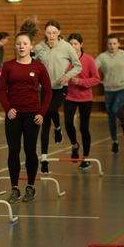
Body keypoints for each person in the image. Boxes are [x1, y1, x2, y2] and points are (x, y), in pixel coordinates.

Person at [0, 20, 52, 204]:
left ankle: (30, 186)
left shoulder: (38, 67)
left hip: (32, 116)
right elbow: (1, 91)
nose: (21, 46)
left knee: (30, 151)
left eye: (25, 44)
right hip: (13, 116)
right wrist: (8, 109)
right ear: (15, 46)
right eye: (18, 43)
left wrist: (42, 113)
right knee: (13, 151)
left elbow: (48, 91)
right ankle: (14, 188)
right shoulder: (8, 66)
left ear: (31, 46)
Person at [34, 20, 82, 174]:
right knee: (44, 122)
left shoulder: (67, 47)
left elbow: (77, 66)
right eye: (48, 33)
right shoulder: (39, 48)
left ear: (59, 32)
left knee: (49, 111)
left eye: (54, 32)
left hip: (61, 88)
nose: (51, 35)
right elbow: (33, 64)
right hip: (45, 89)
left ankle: (58, 128)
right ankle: (44, 159)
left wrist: (67, 76)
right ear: (45, 33)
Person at [64, 33, 101, 170]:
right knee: (68, 123)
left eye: (75, 43)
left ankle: (85, 158)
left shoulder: (88, 59)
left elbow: (96, 79)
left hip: (85, 98)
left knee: (84, 128)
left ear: (81, 45)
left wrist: (81, 82)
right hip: (69, 97)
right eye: (71, 44)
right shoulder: (66, 60)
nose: (73, 46)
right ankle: (74, 145)